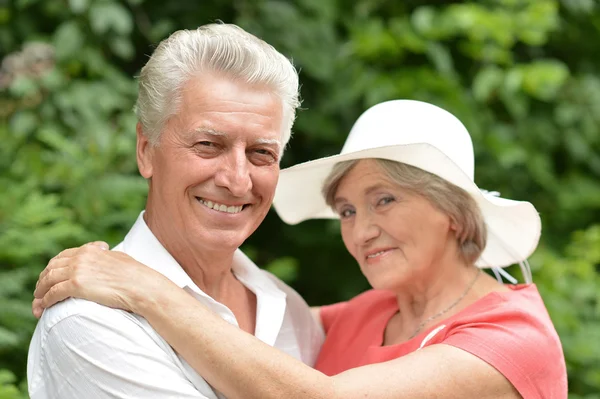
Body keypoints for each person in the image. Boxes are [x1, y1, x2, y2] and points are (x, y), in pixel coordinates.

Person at [34, 100, 568, 398]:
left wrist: (142, 286)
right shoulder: (362, 315)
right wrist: (100, 293)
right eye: (348, 210)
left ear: (453, 211)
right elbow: (235, 323)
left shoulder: (512, 336)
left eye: (384, 200)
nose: (361, 231)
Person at [26, 23, 324, 399]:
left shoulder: (289, 313)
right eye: (208, 145)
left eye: (260, 153)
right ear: (146, 151)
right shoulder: (88, 320)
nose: (237, 181)